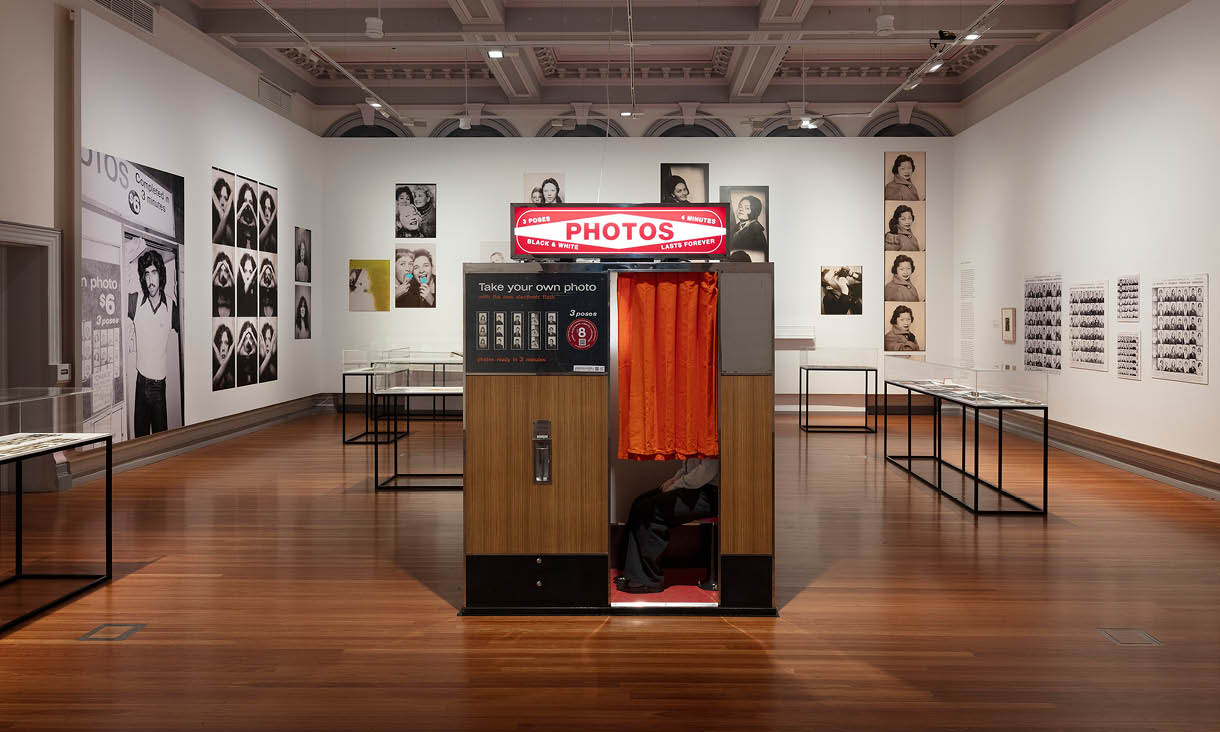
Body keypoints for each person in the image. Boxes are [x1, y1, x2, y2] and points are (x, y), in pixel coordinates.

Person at [617, 458, 720, 594]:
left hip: (709, 493)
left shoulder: (712, 439)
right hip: (694, 486)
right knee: (639, 503)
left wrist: (677, 485)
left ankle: (649, 580)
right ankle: (633, 572)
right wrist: (672, 481)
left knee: (651, 510)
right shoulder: (693, 438)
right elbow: (688, 468)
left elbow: (706, 473)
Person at [127, 247, 180, 437]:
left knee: (160, 441)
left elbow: (188, 327)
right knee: (139, 440)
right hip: (141, 384)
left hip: (159, 387)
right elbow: (112, 294)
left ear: (161, 275)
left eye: (154, 273)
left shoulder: (171, 307)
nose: (150, 279)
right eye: (146, 274)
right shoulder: (135, 301)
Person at [728, 195, 767, 261]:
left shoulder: (757, 234)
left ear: (754, 211)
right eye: (740, 206)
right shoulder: (734, 228)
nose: (741, 209)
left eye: (747, 208)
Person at [235, 181, 258, 249]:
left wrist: (253, 213)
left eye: (250, 202)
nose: (247, 205)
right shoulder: (238, 223)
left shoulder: (254, 225)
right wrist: (241, 210)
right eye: (245, 201)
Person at [212, 177, 234, 246]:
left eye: (226, 198)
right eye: (219, 197)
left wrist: (222, 214)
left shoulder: (232, 224)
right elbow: (213, 243)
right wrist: (220, 211)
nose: (222, 202)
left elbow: (231, 242)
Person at [212, 323, 234, 390]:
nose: (223, 348)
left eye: (226, 343)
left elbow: (231, 382)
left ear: (230, 346)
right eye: (220, 343)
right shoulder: (211, 368)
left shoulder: (234, 369)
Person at [236, 320, 259, 386]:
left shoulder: (254, 347)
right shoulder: (241, 349)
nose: (248, 341)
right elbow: (237, 352)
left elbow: (258, 349)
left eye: (250, 338)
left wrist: (252, 334)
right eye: (246, 338)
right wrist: (243, 335)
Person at [212, 250, 234, 317]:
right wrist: (217, 268)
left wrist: (229, 269)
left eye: (225, 270)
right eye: (220, 270)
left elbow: (236, 287)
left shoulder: (231, 284)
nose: (223, 274)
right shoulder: (214, 283)